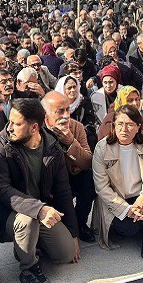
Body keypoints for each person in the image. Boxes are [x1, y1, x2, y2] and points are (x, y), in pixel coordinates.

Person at [0, 98, 79, 283]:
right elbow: (0, 189)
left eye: (16, 123)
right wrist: (39, 209)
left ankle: (30, 243)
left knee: (66, 254)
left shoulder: (52, 146)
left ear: (34, 127)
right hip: (8, 215)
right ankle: (28, 268)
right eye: (9, 121)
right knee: (27, 222)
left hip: (41, 213)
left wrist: (73, 233)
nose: (9, 127)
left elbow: (63, 191)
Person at [92, 105, 143, 258]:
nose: (124, 129)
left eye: (130, 124)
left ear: (138, 126)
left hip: (142, 193)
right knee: (129, 229)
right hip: (118, 199)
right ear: (114, 125)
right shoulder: (102, 148)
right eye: (120, 124)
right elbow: (102, 187)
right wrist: (127, 209)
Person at [41, 92, 96, 242]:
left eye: (68, 109)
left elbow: (87, 162)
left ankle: (80, 224)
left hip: (70, 178)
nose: (66, 115)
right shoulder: (37, 131)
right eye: (60, 111)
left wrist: (71, 141)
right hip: (48, 185)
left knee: (89, 179)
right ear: (46, 114)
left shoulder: (76, 127)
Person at [55, 75, 98, 148]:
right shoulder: (56, 105)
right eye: (69, 88)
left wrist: (77, 133)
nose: (73, 90)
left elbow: (90, 123)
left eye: (74, 87)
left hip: (82, 136)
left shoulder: (84, 102)